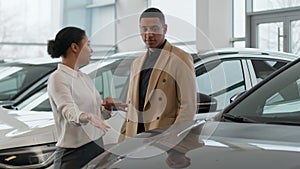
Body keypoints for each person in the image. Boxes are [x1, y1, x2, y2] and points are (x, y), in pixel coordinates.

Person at [119, 7, 197, 141]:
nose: (148, 34)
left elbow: (188, 106)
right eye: (144, 29)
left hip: (163, 138)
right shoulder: (137, 63)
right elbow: (131, 106)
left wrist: (173, 140)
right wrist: (122, 138)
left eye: (154, 28)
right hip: (134, 139)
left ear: (164, 29)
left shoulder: (180, 58)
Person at [47, 26, 114, 168]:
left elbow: (98, 115)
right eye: (88, 45)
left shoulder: (84, 77)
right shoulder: (57, 78)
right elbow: (70, 112)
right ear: (75, 47)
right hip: (73, 155)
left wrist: (107, 108)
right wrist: (87, 117)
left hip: (96, 147)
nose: (91, 50)